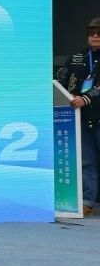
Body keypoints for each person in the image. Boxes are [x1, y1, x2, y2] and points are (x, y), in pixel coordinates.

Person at [56, 16, 100, 217]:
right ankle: (87, 201)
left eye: (99, 33)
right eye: (91, 33)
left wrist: (86, 98)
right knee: (86, 160)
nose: (95, 36)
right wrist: (62, 93)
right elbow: (61, 79)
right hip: (81, 118)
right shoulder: (77, 57)